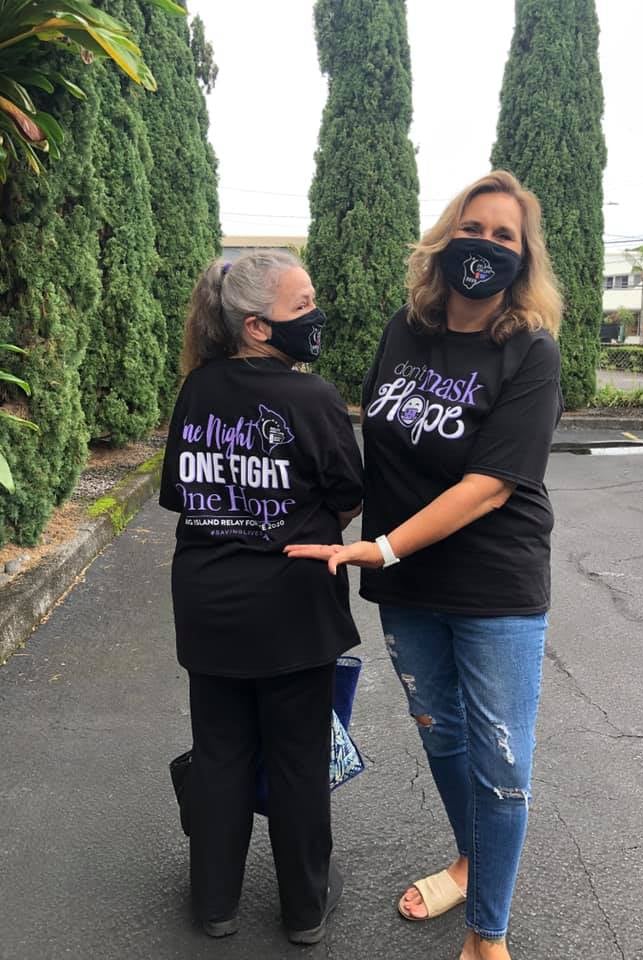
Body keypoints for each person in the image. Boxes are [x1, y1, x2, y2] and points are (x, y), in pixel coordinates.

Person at [285, 170, 563, 960]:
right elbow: (380, 445)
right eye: (473, 228)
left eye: (504, 236)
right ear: (446, 238)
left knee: (501, 765)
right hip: (408, 586)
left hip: (494, 585)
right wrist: (316, 522)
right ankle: (472, 861)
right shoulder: (404, 331)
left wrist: (381, 546)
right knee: (442, 737)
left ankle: (487, 936)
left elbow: (489, 487)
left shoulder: (529, 351)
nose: (485, 245)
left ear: (523, 257)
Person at [159, 250, 363, 945]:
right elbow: (347, 497)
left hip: (208, 604)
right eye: (301, 306)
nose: (315, 316)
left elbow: (180, 494)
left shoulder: (196, 389)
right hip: (292, 608)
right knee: (299, 758)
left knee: (219, 753)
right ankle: (305, 909)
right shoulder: (313, 398)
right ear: (256, 326)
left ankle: (214, 904)